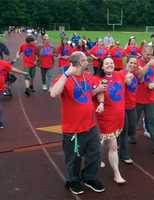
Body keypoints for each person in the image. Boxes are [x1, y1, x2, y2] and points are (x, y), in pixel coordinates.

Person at [50, 51, 105, 195]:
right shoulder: (64, 78)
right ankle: (72, 181)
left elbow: (93, 91)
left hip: (91, 125)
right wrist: (67, 73)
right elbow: (53, 93)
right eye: (86, 59)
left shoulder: (89, 77)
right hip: (73, 129)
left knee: (95, 154)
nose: (88, 61)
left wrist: (101, 99)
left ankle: (89, 177)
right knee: (74, 158)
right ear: (81, 62)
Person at [94, 57, 134, 184]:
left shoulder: (119, 74)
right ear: (102, 66)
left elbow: (128, 77)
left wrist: (130, 76)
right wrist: (100, 103)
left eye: (111, 63)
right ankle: (117, 174)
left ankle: (96, 157)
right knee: (113, 146)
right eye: (107, 63)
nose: (110, 65)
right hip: (106, 119)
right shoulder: (97, 79)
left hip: (119, 118)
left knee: (103, 142)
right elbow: (99, 92)